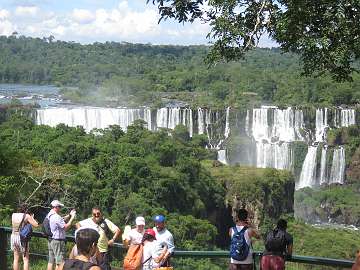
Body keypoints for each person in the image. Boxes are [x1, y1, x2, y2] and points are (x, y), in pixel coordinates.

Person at [47, 200, 76, 270]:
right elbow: (65, 227)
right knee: (59, 262)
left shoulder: (49, 214)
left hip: (51, 240)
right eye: (59, 207)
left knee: (51, 261)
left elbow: (61, 220)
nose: (60, 208)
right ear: (56, 207)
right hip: (58, 241)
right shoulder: (56, 217)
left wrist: (69, 215)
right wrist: (72, 218)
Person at [11, 204, 39, 270]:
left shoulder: (13, 215)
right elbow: (36, 225)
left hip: (13, 236)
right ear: (26, 210)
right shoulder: (27, 216)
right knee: (25, 259)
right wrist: (32, 217)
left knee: (15, 259)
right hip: (22, 237)